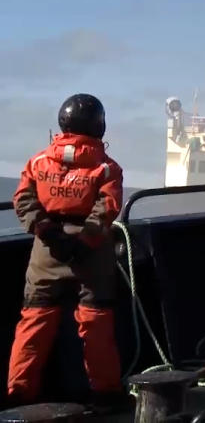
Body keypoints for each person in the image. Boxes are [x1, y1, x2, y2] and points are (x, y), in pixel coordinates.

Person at [7, 94, 125, 408]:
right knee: (96, 323)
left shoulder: (38, 161)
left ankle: (19, 394)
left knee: (34, 321)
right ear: (99, 126)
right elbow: (107, 207)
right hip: (92, 254)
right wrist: (83, 241)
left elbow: (23, 199)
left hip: (46, 252)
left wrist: (48, 233)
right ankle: (106, 394)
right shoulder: (106, 168)